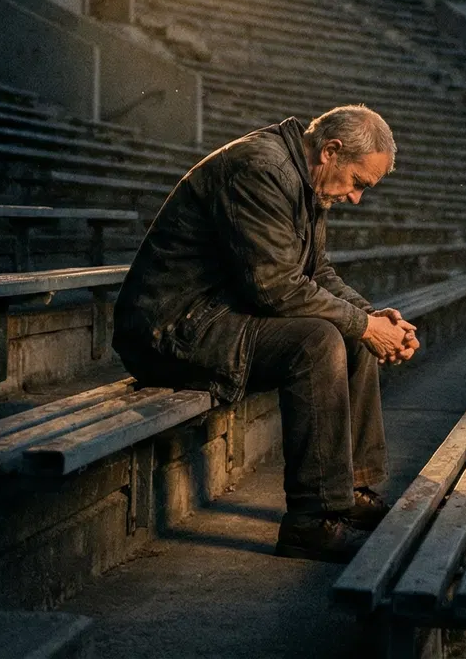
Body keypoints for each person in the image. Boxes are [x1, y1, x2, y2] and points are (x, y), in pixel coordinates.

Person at [112, 104, 419, 562]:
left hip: (217, 318)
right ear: (332, 151)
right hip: (172, 330)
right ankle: (311, 522)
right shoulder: (261, 169)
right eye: (358, 183)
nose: (356, 198)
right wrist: (363, 326)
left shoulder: (306, 178)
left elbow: (317, 273)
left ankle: (349, 487)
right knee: (318, 343)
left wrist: (373, 319)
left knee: (350, 333)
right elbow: (275, 287)